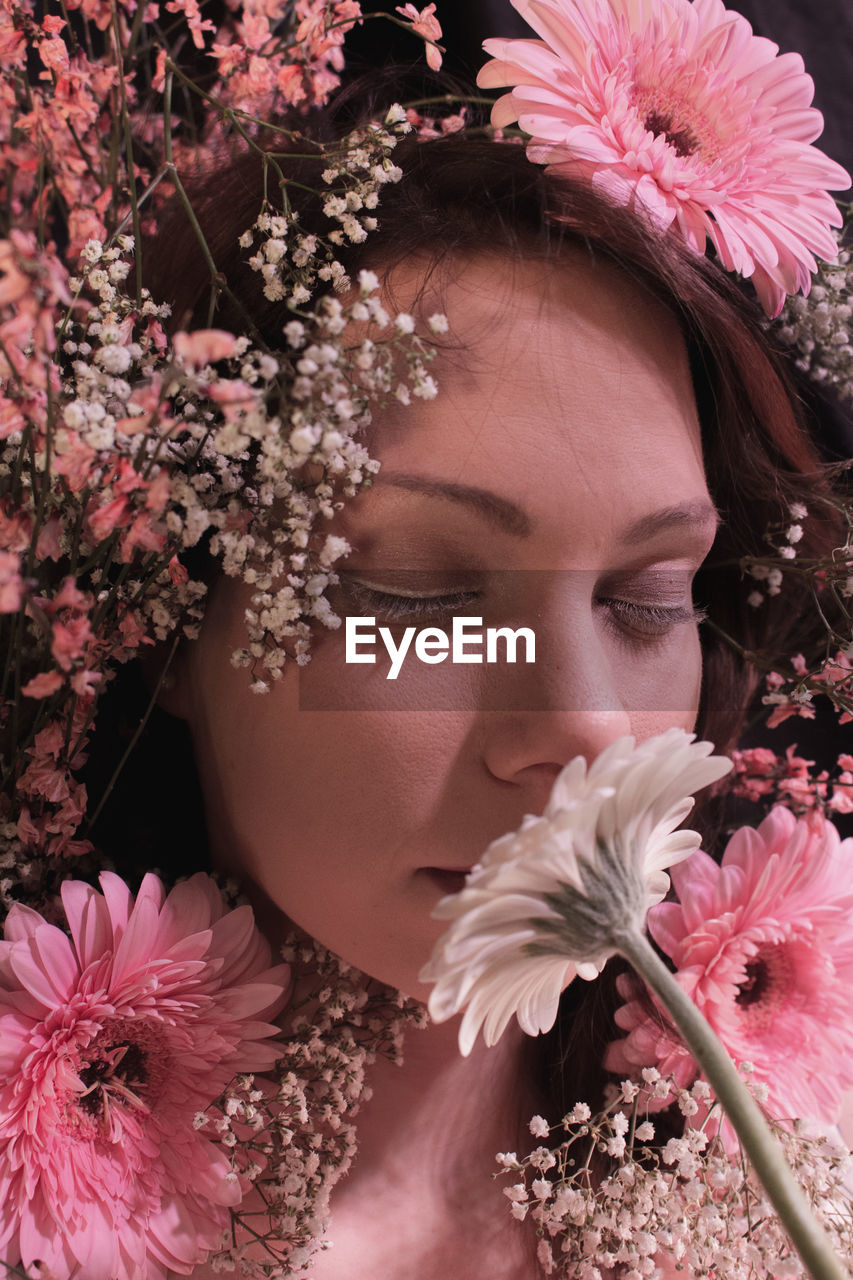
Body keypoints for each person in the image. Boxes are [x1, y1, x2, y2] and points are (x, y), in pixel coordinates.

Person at [94, 99, 837, 1277]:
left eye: (645, 597)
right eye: (418, 596)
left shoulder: (806, 1151)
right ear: (172, 619)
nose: (588, 728)